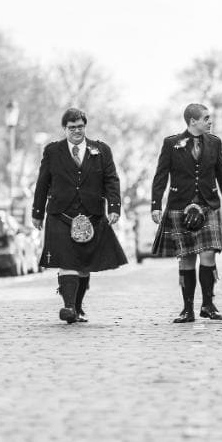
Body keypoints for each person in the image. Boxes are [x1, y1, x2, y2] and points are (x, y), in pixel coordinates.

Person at [31, 108, 127, 324]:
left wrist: (114, 207)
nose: (76, 131)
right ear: (64, 129)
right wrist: (37, 212)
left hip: (91, 214)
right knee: (67, 262)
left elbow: (111, 180)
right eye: (72, 127)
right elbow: (42, 183)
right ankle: (68, 307)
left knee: (83, 266)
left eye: (80, 126)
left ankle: (77, 307)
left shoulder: (101, 150)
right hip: (60, 215)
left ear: (85, 126)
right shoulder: (53, 151)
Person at [150, 103, 222, 323]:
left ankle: (207, 304)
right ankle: (187, 309)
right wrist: (156, 205)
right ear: (192, 121)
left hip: (207, 205)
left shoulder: (215, 142)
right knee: (186, 259)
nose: (210, 121)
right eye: (206, 118)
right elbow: (161, 175)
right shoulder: (172, 144)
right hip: (180, 206)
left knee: (208, 254)